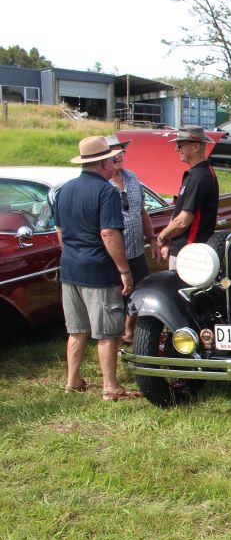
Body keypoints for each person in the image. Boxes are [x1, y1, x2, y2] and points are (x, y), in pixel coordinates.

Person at [54, 136, 140, 400]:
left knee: (76, 330)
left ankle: (73, 381)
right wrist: (124, 270)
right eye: (112, 159)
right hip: (98, 271)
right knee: (108, 333)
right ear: (103, 163)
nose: (115, 163)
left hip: (70, 268)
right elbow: (108, 233)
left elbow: (60, 232)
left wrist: (73, 253)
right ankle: (111, 387)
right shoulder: (107, 192)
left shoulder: (64, 189)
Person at [106, 135, 161, 344]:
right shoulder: (102, 184)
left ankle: (129, 332)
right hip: (113, 254)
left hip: (136, 249)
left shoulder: (132, 177)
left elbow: (142, 212)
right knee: (115, 296)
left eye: (121, 152)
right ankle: (114, 337)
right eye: (113, 152)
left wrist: (152, 238)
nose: (118, 156)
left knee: (140, 291)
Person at [156, 126, 219, 270]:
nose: (177, 149)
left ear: (196, 147)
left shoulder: (199, 177)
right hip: (186, 251)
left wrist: (161, 237)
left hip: (189, 254)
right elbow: (178, 213)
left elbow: (183, 220)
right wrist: (169, 242)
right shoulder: (197, 174)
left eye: (180, 145)